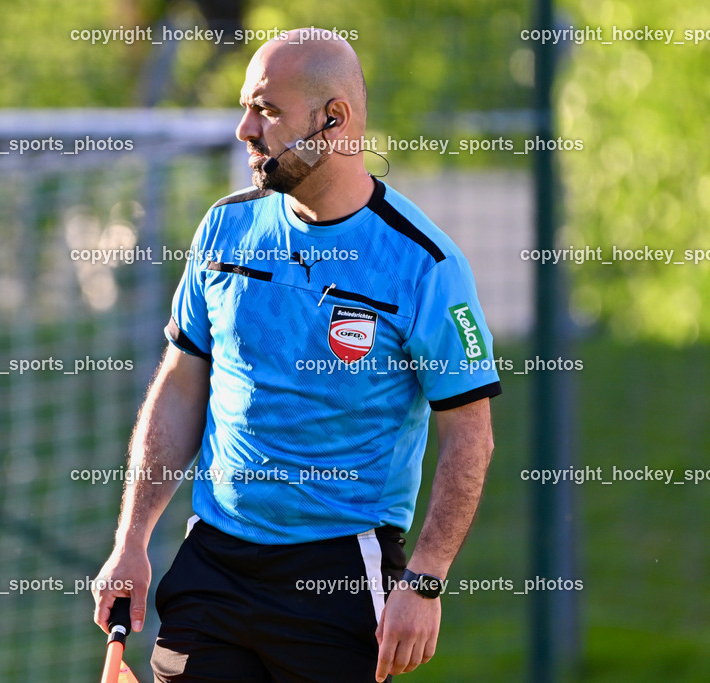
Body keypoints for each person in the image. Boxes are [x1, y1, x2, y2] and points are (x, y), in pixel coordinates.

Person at [93, 27, 501, 682]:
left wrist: (425, 581)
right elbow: (180, 386)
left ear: (332, 118)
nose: (244, 129)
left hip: (339, 575)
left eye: (267, 110)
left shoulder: (426, 265)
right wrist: (132, 540)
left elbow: (469, 436)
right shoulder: (225, 228)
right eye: (247, 108)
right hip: (216, 565)